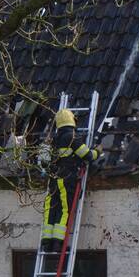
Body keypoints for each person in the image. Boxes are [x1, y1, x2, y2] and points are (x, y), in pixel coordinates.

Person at [41, 107, 100, 253]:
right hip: (67, 179)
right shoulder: (71, 137)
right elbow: (88, 155)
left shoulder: (53, 140)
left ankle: (46, 242)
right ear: (72, 121)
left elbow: (43, 161)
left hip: (53, 179)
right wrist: (98, 150)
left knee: (51, 209)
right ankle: (57, 243)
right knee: (64, 209)